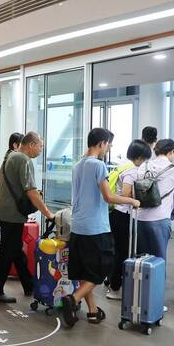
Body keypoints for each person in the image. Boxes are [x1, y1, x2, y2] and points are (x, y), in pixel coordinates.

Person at [60, 128, 140, 328]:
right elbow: (108, 197)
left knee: (86, 273)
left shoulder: (78, 165)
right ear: (101, 143)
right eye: (109, 144)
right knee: (102, 269)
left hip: (78, 226)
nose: (109, 148)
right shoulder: (98, 165)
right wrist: (132, 201)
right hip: (95, 228)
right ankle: (73, 298)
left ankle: (93, 312)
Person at [0, 132, 55, 303]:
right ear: (31, 144)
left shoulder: (11, 156)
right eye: (40, 146)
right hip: (12, 214)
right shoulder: (23, 160)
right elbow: (31, 191)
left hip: (4, 211)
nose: (40, 150)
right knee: (6, 252)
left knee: (15, 249)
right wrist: (48, 213)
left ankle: (29, 285)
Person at [106, 139, 152, 300]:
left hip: (116, 213)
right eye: (144, 159)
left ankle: (111, 281)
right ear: (139, 157)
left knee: (117, 250)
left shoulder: (122, 165)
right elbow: (125, 193)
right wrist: (138, 196)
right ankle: (115, 288)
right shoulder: (132, 171)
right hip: (123, 215)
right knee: (122, 252)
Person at [133, 139, 174, 260]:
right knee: (158, 259)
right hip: (159, 218)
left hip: (139, 218)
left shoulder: (144, 166)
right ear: (171, 152)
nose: (173, 156)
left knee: (141, 259)